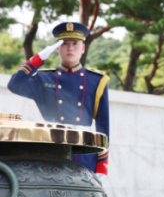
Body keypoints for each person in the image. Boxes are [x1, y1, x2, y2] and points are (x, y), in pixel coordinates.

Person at [7, 22, 110, 178]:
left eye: (75, 44)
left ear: (83, 48)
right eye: (64, 44)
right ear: (57, 48)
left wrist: (102, 164)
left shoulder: (96, 80)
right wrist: (39, 57)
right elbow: (14, 84)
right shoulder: (43, 78)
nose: (70, 48)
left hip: (82, 153)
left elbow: (103, 125)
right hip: (51, 152)